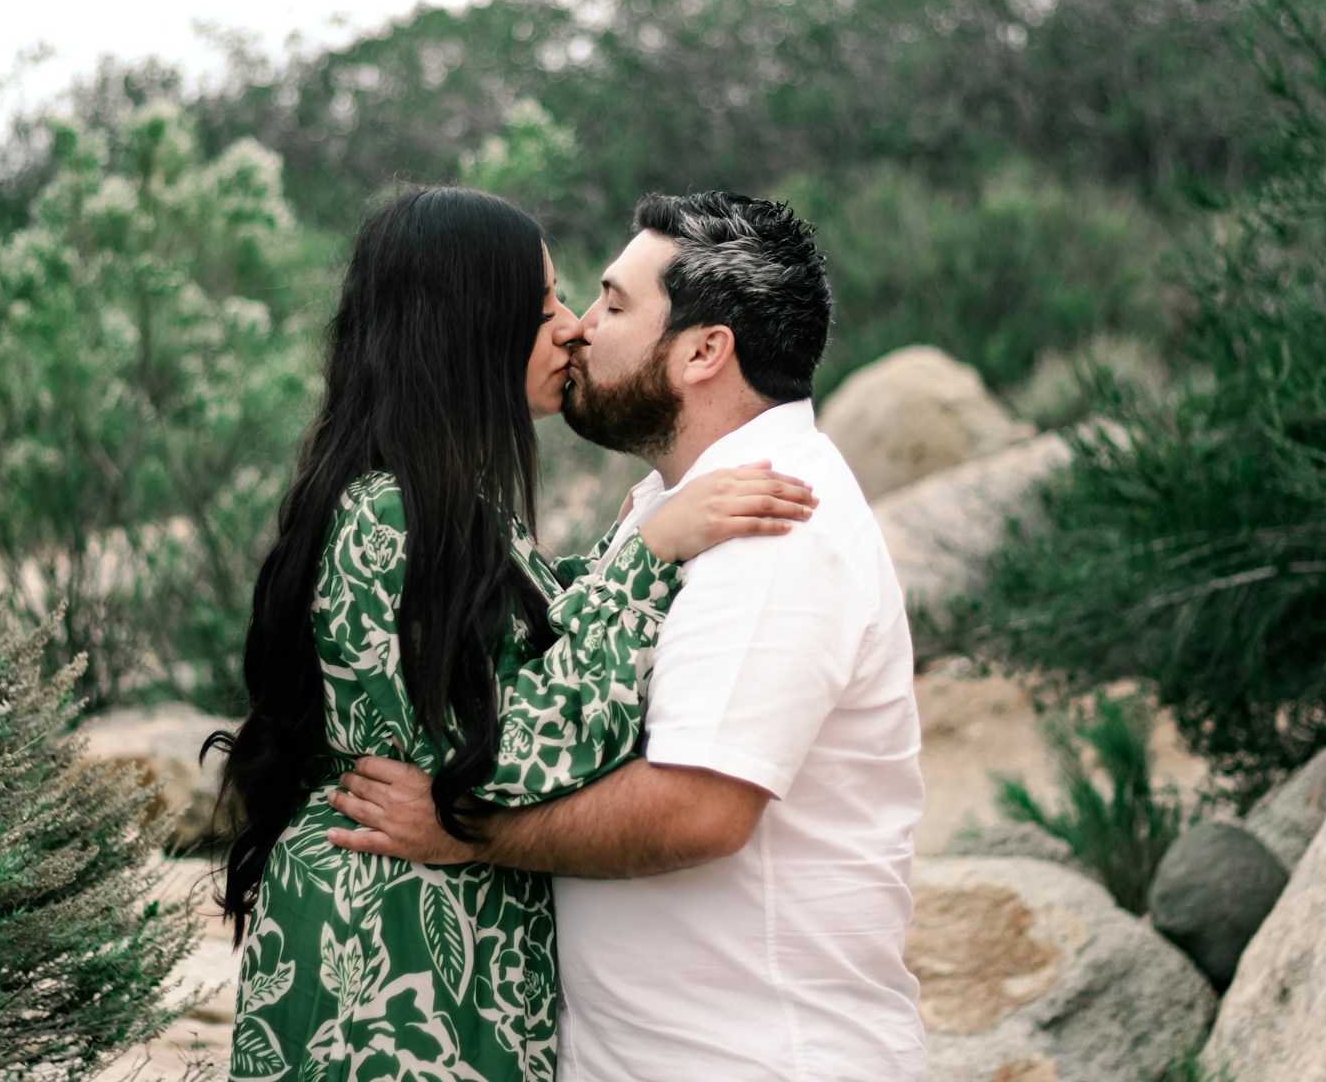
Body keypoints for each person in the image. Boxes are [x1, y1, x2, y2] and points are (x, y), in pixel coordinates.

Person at [206, 186, 820, 1082]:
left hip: (441, 932)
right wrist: (647, 554)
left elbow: (522, 634)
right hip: (390, 950)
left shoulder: (447, 507)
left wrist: (625, 544)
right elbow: (504, 755)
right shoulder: (388, 516)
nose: (573, 328)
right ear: (467, 335)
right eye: (543, 310)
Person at [329, 191, 929, 1081]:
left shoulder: (771, 527)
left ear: (701, 352)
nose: (579, 330)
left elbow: (701, 809)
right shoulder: (677, 509)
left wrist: (468, 831)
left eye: (612, 303)